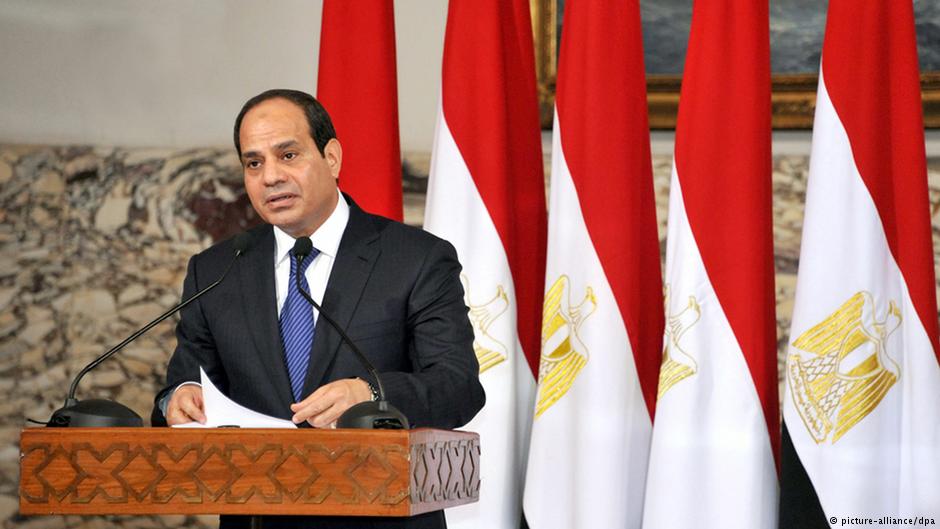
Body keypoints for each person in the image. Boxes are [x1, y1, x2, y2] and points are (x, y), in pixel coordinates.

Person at [152, 89, 485, 529]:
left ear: (331, 158)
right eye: (254, 163)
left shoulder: (416, 259)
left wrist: (371, 394)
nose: (271, 177)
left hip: (379, 518)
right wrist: (177, 399)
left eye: (288, 155)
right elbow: (185, 383)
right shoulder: (215, 270)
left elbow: (458, 387)